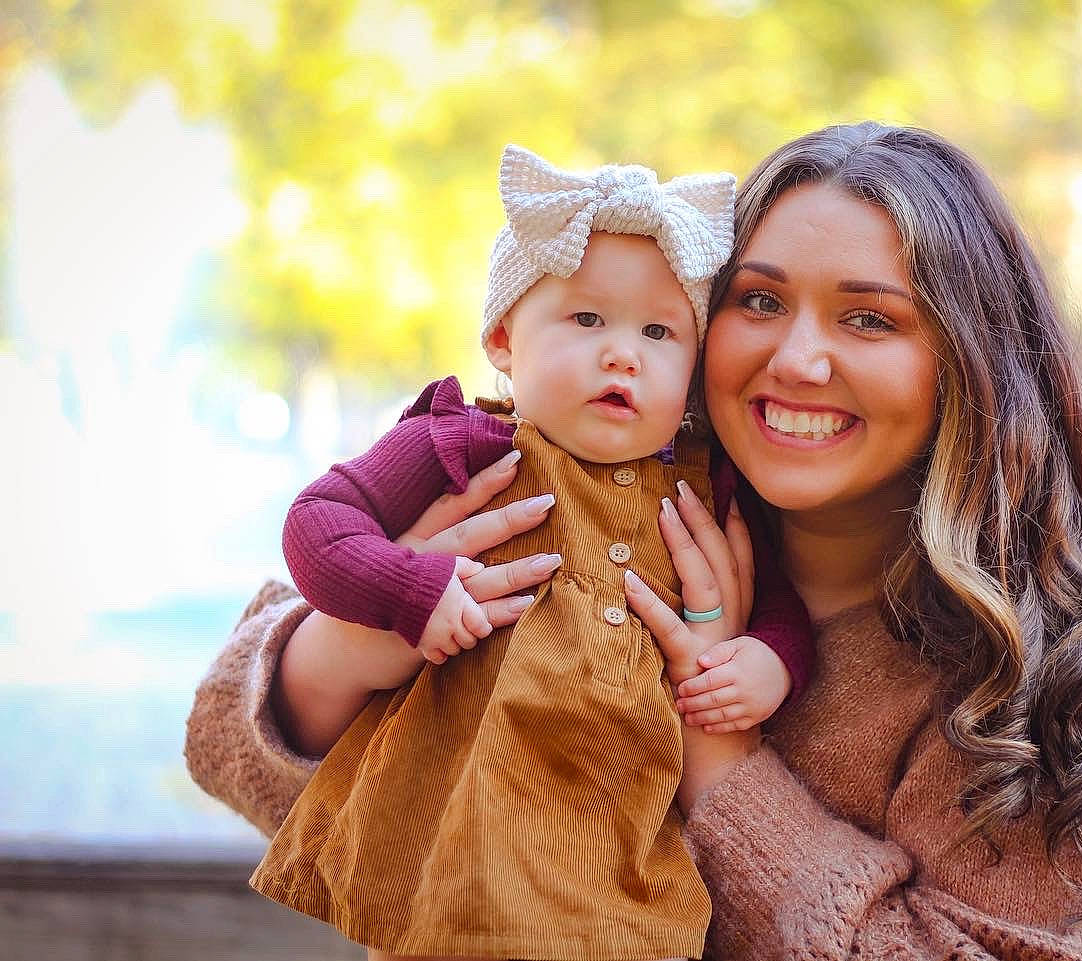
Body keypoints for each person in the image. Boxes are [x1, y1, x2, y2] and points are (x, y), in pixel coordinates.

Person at [186, 122, 1082, 961]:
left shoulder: (1081, 674)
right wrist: (364, 641)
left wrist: (725, 764)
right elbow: (260, 769)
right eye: (758, 300)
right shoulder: (608, 513)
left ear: (976, 364)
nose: (796, 358)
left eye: (869, 319)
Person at [246, 144, 812, 961]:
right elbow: (319, 522)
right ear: (505, 338)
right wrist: (410, 587)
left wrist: (770, 658)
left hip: (615, 871)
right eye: (586, 319)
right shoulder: (464, 445)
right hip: (455, 854)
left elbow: (776, 596)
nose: (624, 352)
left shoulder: (704, 489)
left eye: (660, 331)